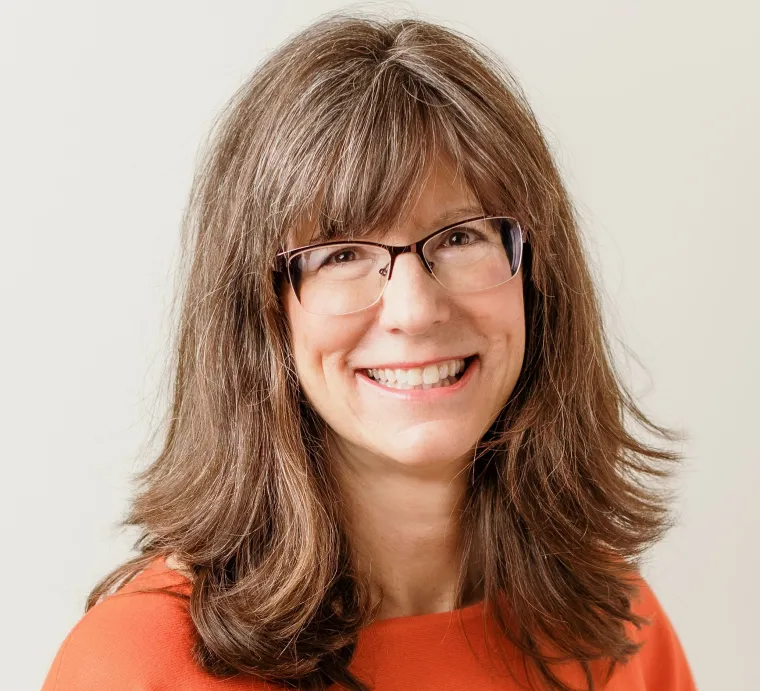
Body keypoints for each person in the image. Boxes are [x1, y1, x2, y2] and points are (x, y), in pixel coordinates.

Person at [41, 12, 696, 691]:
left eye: (461, 236)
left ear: (537, 275)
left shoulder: (614, 622)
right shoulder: (137, 667)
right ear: (260, 312)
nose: (414, 310)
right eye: (341, 254)